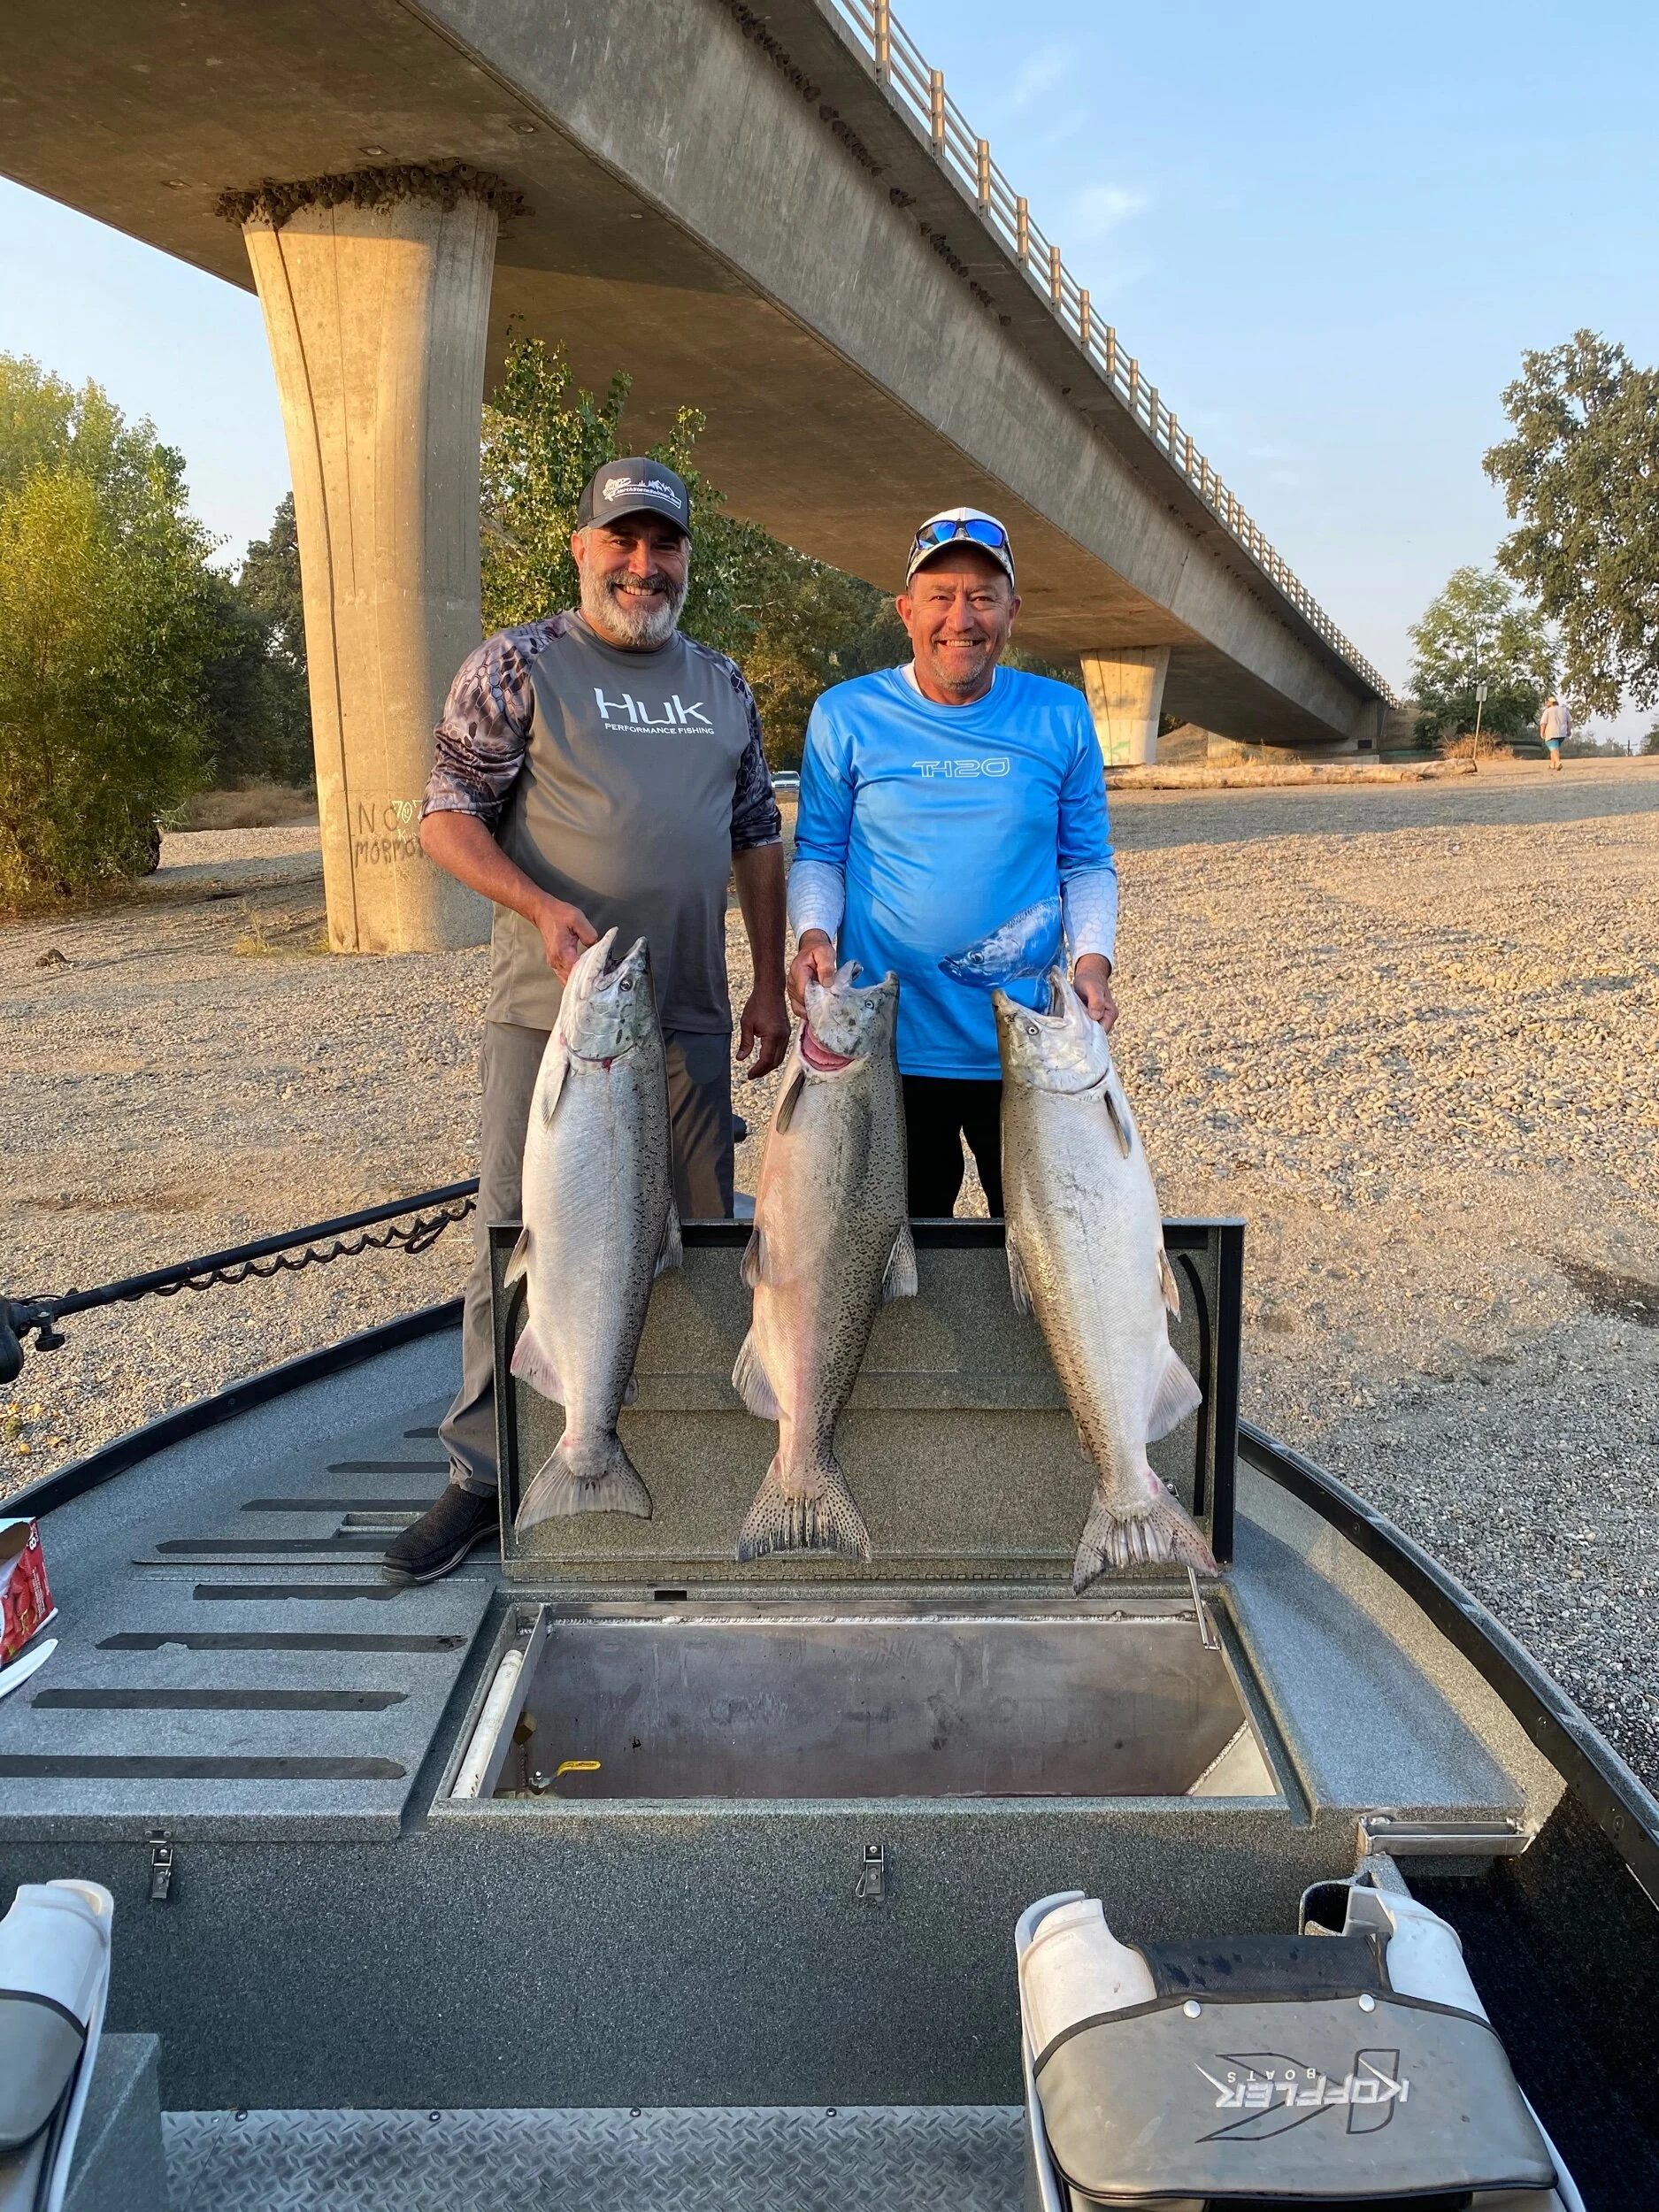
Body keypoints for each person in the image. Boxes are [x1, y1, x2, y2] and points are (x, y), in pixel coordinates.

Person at [383, 457, 789, 1584]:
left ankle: (676, 1457)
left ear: (686, 559)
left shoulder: (722, 682)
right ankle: (483, 1471)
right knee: (515, 1240)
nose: (643, 565)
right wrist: (540, 904)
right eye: (623, 541)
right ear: (583, 547)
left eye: (664, 545)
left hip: (692, 1018)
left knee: (698, 1239)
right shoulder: (518, 664)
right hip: (549, 1021)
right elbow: (447, 817)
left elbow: (758, 832)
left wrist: (766, 978)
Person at [787, 507, 1118, 1216]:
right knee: (889, 1259)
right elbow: (819, 850)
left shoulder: (1060, 713)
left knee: (1044, 1254)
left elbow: (1086, 861)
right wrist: (814, 936)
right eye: (940, 597)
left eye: (982, 598)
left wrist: (1092, 960)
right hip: (884, 1051)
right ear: (907, 611)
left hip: (1029, 1053)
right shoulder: (846, 713)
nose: (960, 618)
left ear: (1011, 612)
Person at [1540, 695, 1570, 772]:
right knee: (1554, 748)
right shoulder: (1564, 710)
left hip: (1551, 732)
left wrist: (1542, 732)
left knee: (1553, 748)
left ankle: (1558, 762)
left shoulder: (1548, 711)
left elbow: (1543, 723)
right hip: (1562, 733)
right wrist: (1568, 730)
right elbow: (1570, 721)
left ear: (1550, 703)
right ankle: (1552, 764)